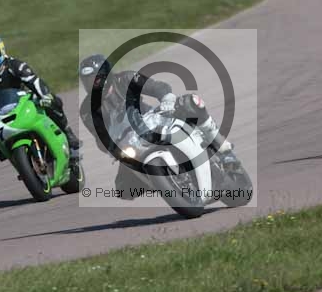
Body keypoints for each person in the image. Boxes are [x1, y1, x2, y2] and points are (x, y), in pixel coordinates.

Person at [78, 54, 237, 199]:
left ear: (106, 75)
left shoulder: (126, 78)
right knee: (124, 189)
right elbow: (99, 136)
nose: (90, 85)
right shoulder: (86, 110)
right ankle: (162, 181)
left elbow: (156, 87)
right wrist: (111, 148)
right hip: (129, 141)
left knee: (191, 102)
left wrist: (166, 98)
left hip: (154, 120)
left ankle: (222, 147)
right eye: (86, 81)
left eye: (93, 79)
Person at [0, 33, 81, 162]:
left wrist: (45, 96)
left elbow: (34, 82)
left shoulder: (15, 65)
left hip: (24, 102)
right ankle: (19, 158)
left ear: (1, 49)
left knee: (54, 102)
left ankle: (67, 132)